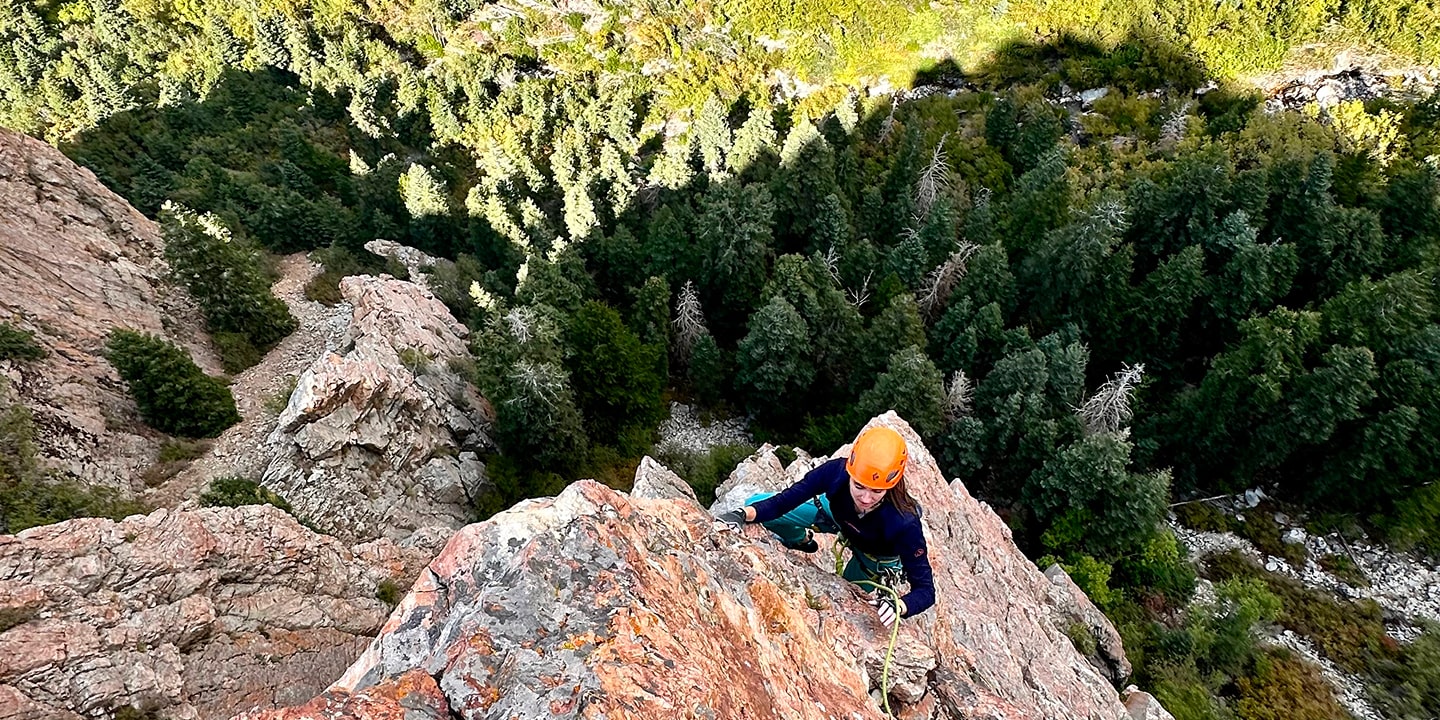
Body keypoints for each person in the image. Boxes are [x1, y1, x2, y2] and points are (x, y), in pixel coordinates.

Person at [716, 426, 934, 626]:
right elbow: (784, 501)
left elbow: (925, 590)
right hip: (839, 518)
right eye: (859, 486)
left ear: (892, 485)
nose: (866, 498)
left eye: (877, 491)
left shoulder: (904, 523)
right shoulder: (836, 474)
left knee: (845, 608)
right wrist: (740, 514)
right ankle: (799, 541)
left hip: (873, 556)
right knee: (754, 506)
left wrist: (900, 605)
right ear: (851, 473)